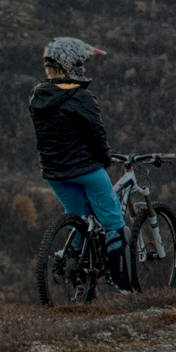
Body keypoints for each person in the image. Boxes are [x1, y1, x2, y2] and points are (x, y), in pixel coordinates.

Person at [29, 36, 132, 290]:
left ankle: (77, 271)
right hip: (86, 170)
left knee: (78, 218)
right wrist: (106, 159)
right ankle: (124, 287)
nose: (84, 69)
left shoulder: (37, 97)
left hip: (54, 173)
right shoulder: (82, 98)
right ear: (70, 65)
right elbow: (98, 136)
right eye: (81, 64)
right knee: (113, 222)